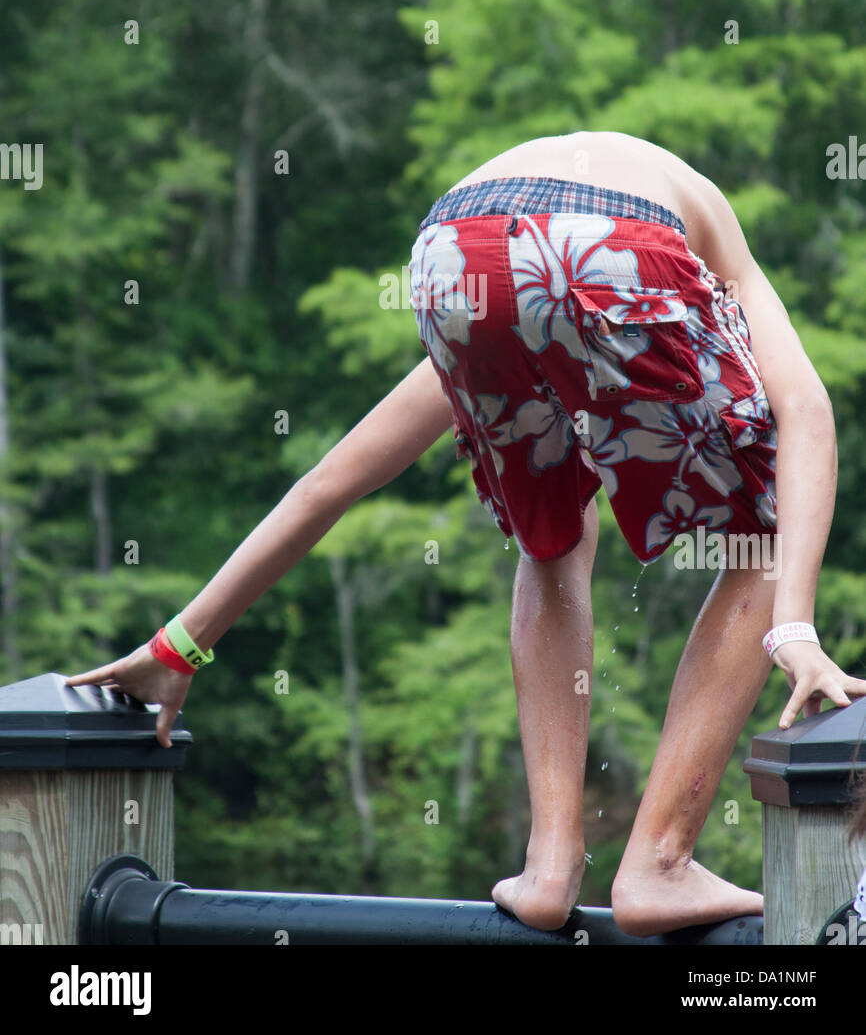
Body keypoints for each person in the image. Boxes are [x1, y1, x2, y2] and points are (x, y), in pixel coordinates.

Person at [66, 130, 866, 937]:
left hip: (454, 248)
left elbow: (327, 484)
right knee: (761, 529)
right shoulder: (722, 265)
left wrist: (180, 647)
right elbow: (807, 413)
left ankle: (551, 867)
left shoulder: (512, 315)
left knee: (550, 534)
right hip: (618, 240)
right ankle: (657, 864)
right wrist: (793, 627)